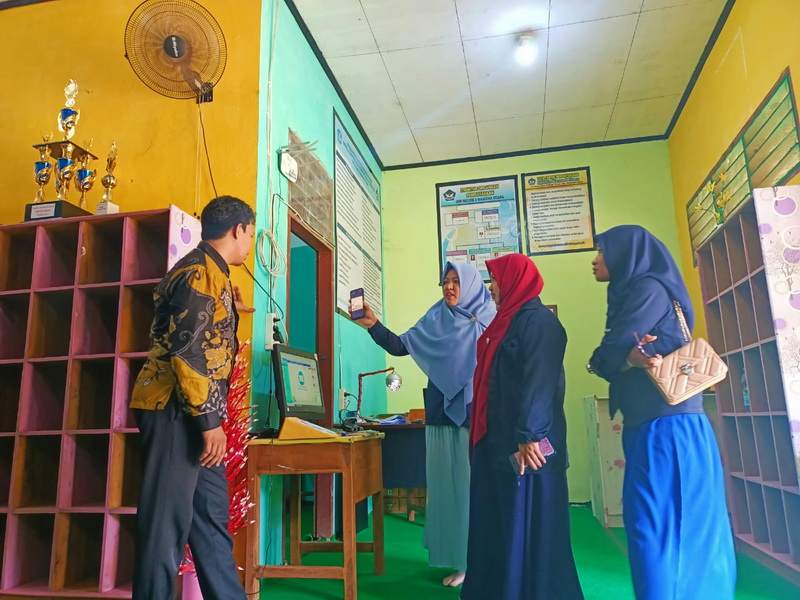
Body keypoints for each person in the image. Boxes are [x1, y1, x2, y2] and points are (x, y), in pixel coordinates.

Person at [587, 225, 736, 600]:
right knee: (670, 525)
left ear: (626, 255)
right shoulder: (639, 289)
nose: (595, 260)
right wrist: (619, 358)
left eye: (602, 251)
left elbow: (611, 348)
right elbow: (617, 350)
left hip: (667, 429)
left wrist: (607, 359)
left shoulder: (647, 289)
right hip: (663, 423)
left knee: (657, 530)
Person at [130, 195, 255, 600]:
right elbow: (189, 352)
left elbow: (203, 335)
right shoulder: (200, 273)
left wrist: (232, 311)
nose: (249, 244)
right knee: (164, 526)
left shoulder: (212, 273)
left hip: (197, 412)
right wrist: (208, 422)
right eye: (251, 234)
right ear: (238, 230)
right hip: (175, 410)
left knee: (210, 518)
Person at [350, 261, 495, 587]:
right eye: (445, 281)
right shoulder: (437, 317)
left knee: (473, 491)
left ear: (471, 285)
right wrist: (373, 325)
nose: (449, 287)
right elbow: (402, 346)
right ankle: (459, 560)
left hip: (476, 415)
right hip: (441, 414)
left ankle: (482, 560)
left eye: (456, 281)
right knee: (446, 492)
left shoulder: (490, 318)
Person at [461, 253, 584, 600]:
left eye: (496, 280)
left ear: (515, 280)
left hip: (527, 446)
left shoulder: (540, 322)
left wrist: (530, 434)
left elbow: (539, 382)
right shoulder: (506, 321)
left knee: (528, 522)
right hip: (497, 440)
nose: (492, 288)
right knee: (499, 521)